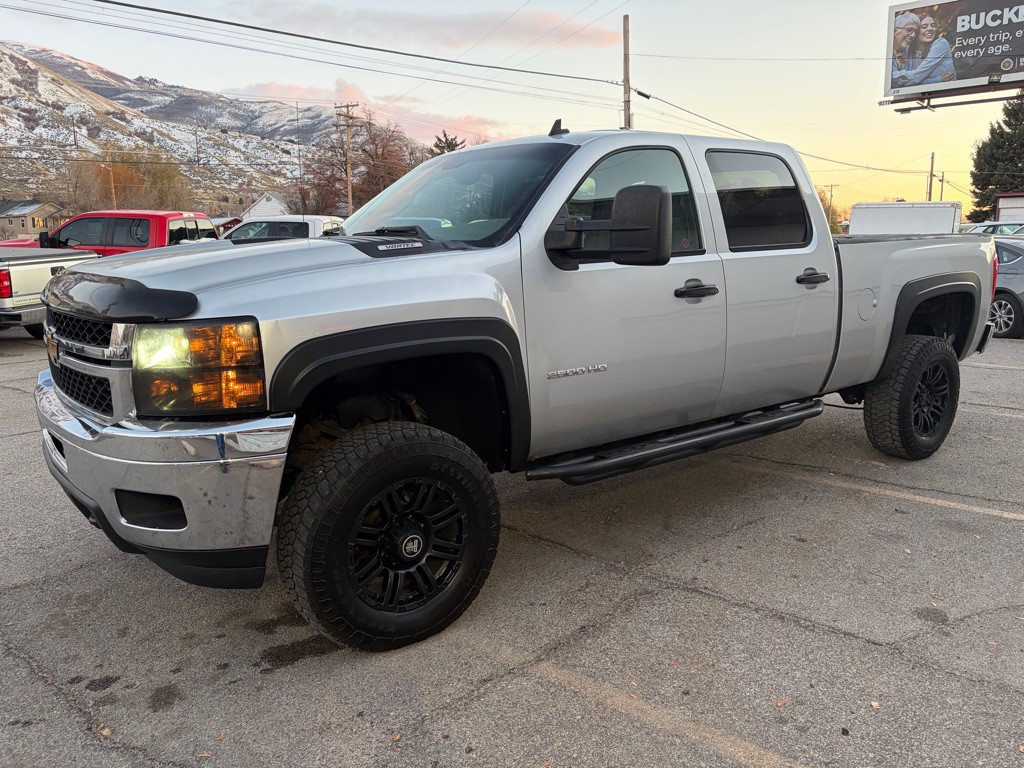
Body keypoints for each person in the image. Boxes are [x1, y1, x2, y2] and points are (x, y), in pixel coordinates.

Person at [906, 14, 957, 84]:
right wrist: (938, 79)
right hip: (923, 94)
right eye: (924, 27)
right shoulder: (909, 52)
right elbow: (907, 82)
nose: (930, 29)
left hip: (950, 92)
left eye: (933, 26)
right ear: (915, 32)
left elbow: (914, 79)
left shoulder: (941, 44)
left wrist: (913, 82)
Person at [891, 12, 920, 86]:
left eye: (915, 32)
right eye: (909, 29)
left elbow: (919, 79)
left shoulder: (916, 55)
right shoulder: (885, 53)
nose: (913, 35)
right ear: (895, 31)